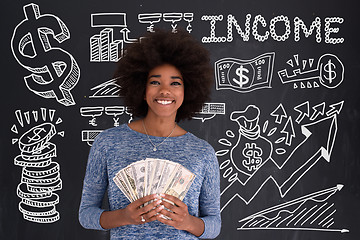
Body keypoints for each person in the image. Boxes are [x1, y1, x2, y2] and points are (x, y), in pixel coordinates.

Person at [79, 29, 221, 239]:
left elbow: (214, 225)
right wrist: (124, 216)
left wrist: (188, 221)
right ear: (141, 89)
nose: (165, 90)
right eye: (155, 82)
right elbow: (86, 214)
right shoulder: (107, 143)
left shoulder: (203, 153)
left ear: (188, 90)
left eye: (175, 83)